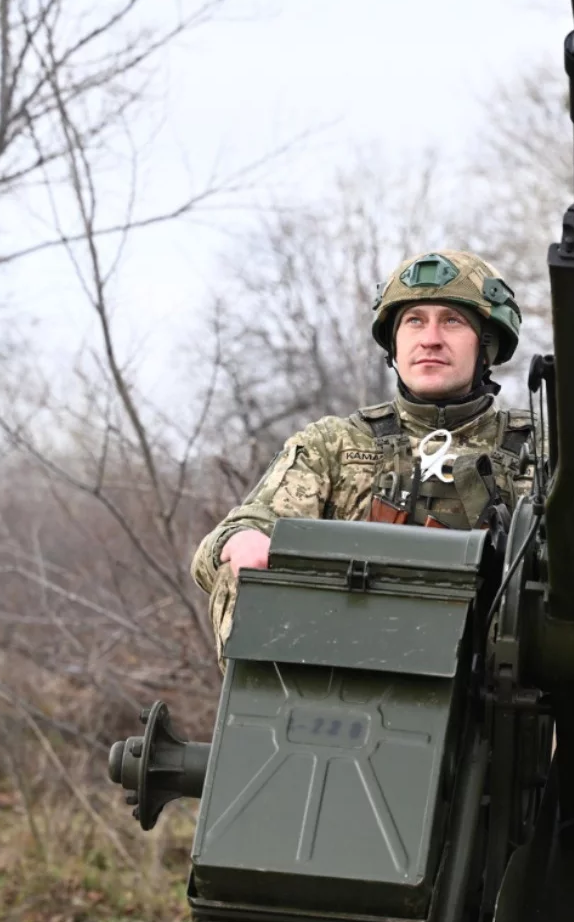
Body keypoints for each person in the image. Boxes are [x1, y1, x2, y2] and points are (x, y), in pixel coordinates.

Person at [191, 249, 535, 649]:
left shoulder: (541, 450)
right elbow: (224, 543)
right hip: (345, 671)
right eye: (414, 321)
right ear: (394, 341)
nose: (430, 339)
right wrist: (239, 540)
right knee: (241, 562)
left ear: (487, 343)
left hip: (506, 681)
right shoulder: (334, 445)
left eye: (452, 321)